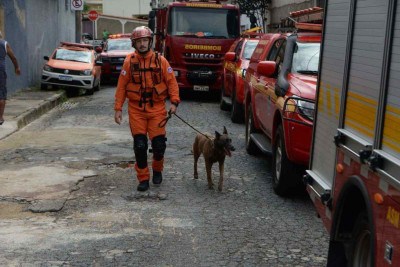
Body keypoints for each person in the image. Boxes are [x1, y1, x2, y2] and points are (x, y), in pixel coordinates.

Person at [114, 26, 180, 192]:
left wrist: (174, 103)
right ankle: (143, 178)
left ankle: (157, 169)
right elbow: (121, 87)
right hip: (136, 111)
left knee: (159, 146)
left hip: (157, 109)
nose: (142, 44)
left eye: (145, 41)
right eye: (139, 41)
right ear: (134, 44)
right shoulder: (129, 62)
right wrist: (118, 108)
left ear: (150, 41)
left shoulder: (161, 61)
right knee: (140, 145)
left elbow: (172, 82)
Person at [0, 31, 20, 125]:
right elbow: (13, 58)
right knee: (2, 94)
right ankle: (0, 117)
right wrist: (17, 68)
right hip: (1, 72)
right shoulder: (4, 43)